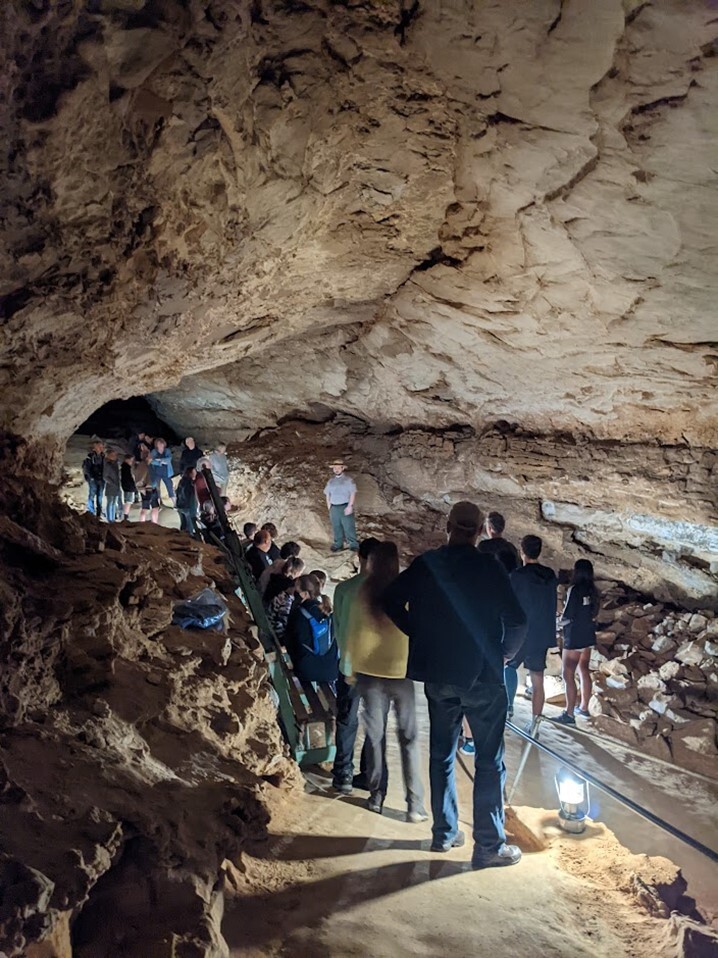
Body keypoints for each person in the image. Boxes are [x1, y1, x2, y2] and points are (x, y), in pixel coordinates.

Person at [383, 501, 526, 869]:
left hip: (438, 675)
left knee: (442, 755)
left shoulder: (427, 564)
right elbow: (517, 620)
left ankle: (444, 833)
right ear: (479, 532)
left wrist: (420, 634)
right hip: (482, 676)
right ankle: (488, 846)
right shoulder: (489, 568)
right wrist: (504, 655)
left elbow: (390, 599)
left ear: (447, 525)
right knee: (489, 763)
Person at [346, 541, 428, 821]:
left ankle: (377, 796)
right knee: (409, 739)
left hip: (369, 673)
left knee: (375, 737)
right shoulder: (406, 589)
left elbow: (354, 630)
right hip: (401, 672)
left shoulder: (364, 590)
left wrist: (351, 666)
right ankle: (415, 804)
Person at [330, 537, 381, 794]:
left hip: (350, 666)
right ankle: (369, 774)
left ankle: (343, 775)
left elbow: (337, 628)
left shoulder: (344, 590)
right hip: (378, 670)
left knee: (347, 720)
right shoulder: (387, 591)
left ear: (359, 558)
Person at [507, 535, 558, 735]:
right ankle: (535, 724)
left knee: (507, 666)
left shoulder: (518, 576)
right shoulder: (550, 575)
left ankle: (507, 709)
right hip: (542, 632)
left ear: (522, 551)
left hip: (522, 631)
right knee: (538, 678)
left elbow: (511, 604)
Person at [554, 559, 600, 726]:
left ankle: (569, 713)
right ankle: (584, 707)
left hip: (575, 636)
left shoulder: (574, 589)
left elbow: (568, 615)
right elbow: (594, 613)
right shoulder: (593, 590)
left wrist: (557, 623)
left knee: (567, 673)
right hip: (588, 634)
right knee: (583, 669)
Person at [285, 574, 338, 685]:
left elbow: (289, 643)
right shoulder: (329, 612)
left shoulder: (298, 613)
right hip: (331, 671)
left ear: (305, 594)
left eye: (297, 590)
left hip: (306, 671)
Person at [265, 557, 305, 639]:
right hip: (271, 626)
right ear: (297, 573)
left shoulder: (275, 578)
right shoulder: (288, 591)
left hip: (265, 611)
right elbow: (282, 618)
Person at [324, 458, 359, 552]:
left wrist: (350, 506)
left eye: (338, 468)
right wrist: (329, 507)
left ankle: (353, 544)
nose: (336, 469)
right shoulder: (330, 481)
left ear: (343, 468)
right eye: (335, 468)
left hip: (345, 505)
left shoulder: (348, 480)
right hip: (334, 506)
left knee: (348, 525)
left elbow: (353, 493)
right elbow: (328, 494)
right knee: (336, 526)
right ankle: (338, 544)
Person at [82, 440, 105, 517]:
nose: (101, 448)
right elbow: (86, 468)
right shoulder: (90, 457)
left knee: (100, 496)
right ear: (94, 448)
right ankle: (91, 512)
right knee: (92, 495)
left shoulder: (103, 457)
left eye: (102, 447)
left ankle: (98, 512)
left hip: (101, 479)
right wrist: (90, 477)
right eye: (99, 447)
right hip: (93, 479)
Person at [149, 438, 175, 506]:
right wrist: (161, 462)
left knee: (170, 488)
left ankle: (175, 504)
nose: (160, 445)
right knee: (157, 489)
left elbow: (169, 459)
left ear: (164, 444)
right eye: (158, 444)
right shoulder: (154, 451)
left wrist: (159, 460)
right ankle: (158, 504)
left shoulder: (167, 450)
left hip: (166, 473)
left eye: (161, 443)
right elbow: (152, 461)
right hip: (157, 473)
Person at [176, 467, 199, 536]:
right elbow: (190, 496)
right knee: (189, 528)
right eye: (194, 472)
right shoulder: (190, 483)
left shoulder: (181, 481)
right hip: (188, 508)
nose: (196, 473)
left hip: (180, 506)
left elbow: (178, 493)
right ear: (190, 473)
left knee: (183, 526)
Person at [102, 449, 121, 523]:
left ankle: (112, 518)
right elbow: (105, 476)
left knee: (114, 502)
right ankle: (109, 518)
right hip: (111, 485)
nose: (115, 456)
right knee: (110, 502)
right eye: (113, 455)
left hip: (116, 485)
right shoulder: (107, 464)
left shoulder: (115, 464)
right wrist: (112, 483)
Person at [120, 454, 138, 520]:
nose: (131, 462)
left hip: (127, 487)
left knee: (128, 501)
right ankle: (125, 516)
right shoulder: (126, 468)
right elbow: (128, 479)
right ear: (127, 460)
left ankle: (126, 515)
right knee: (128, 501)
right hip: (129, 487)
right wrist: (133, 487)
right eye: (131, 460)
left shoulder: (125, 467)